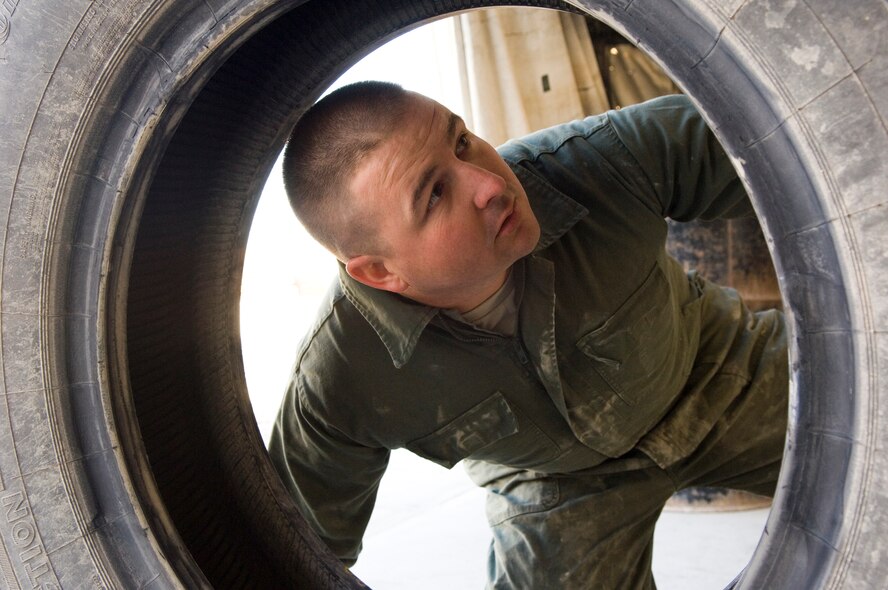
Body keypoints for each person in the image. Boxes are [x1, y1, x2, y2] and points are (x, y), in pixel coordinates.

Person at [268, 80, 788, 589]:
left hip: (712, 367)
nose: (491, 183)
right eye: (434, 194)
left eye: (462, 141)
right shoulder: (342, 378)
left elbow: (806, 143)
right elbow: (289, 557)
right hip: (556, 481)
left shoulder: (596, 163)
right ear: (380, 272)